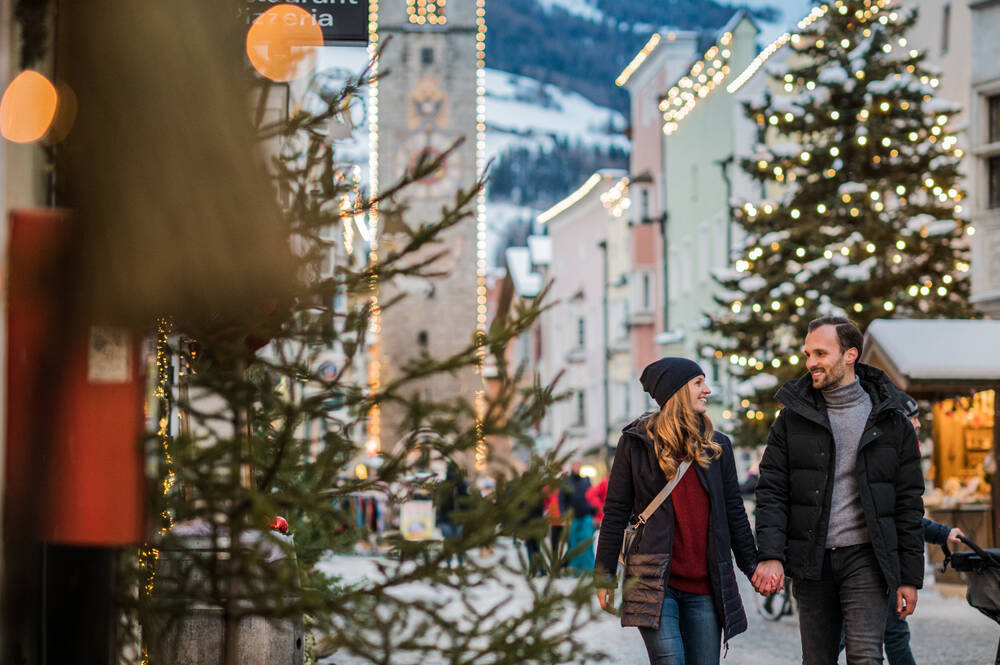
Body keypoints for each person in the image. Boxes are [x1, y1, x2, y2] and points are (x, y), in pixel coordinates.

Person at [754, 316, 925, 665]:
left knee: (866, 657)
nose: (811, 363)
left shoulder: (891, 420)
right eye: (807, 354)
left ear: (850, 355)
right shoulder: (791, 418)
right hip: (811, 560)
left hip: (867, 558)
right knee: (818, 659)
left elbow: (908, 503)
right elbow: (771, 490)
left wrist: (909, 577)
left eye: (820, 353)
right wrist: (771, 554)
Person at [595, 357, 758, 665]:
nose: (707, 390)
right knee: (669, 660)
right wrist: (604, 574)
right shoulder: (636, 444)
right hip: (652, 579)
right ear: (677, 391)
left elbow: (734, 511)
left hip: (705, 586)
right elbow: (615, 511)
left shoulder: (717, 446)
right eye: (698, 383)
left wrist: (754, 568)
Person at [562, 460, 596, 574]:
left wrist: (594, 510)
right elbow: (562, 501)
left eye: (579, 464)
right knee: (574, 544)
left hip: (586, 516)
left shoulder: (586, 480)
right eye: (575, 464)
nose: (577, 466)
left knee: (587, 542)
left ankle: (590, 569)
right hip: (573, 518)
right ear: (571, 465)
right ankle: (576, 571)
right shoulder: (566, 482)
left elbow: (593, 496)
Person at [435, 463, 470, 568]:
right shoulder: (462, 485)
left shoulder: (445, 485)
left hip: (446, 518)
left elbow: (439, 504)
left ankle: (449, 562)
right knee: (458, 542)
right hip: (457, 518)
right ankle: (459, 562)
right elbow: (466, 502)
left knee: (449, 542)